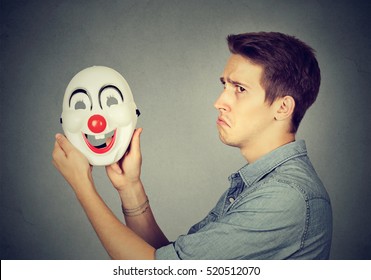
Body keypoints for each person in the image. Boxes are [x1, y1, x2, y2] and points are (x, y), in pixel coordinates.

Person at [52, 32, 332, 259]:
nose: (219, 101)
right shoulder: (259, 185)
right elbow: (172, 261)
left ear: (283, 107)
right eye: (224, 85)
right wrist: (130, 187)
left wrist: (82, 184)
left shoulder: (285, 197)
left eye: (240, 89)